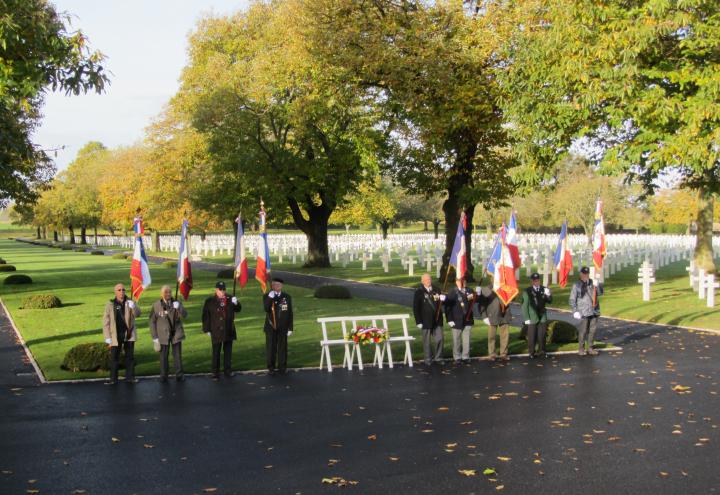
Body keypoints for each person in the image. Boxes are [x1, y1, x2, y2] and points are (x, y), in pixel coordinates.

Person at [102, 283, 141, 384]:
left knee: (130, 357)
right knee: (114, 358)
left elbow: (138, 314)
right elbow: (106, 322)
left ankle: (130, 378)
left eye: (123, 290)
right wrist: (107, 337)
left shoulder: (130, 302)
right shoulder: (110, 304)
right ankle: (113, 379)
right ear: (115, 292)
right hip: (115, 335)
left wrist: (133, 307)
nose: (122, 292)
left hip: (128, 333)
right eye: (119, 290)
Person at [202, 281, 241, 379]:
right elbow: (206, 316)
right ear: (216, 290)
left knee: (228, 352)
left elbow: (238, 309)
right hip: (216, 329)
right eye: (220, 289)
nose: (222, 291)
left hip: (228, 329)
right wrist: (207, 329)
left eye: (224, 289)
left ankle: (227, 371)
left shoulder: (230, 298)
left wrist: (236, 303)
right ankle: (215, 372)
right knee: (216, 351)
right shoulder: (210, 301)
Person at [149, 285, 188, 382]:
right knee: (163, 356)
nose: (168, 294)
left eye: (170, 292)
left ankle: (179, 374)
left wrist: (179, 308)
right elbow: (152, 321)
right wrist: (155, 337)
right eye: (166, 292)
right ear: (162, 294)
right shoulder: (156, 305)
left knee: (177, 355)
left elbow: (185, 315)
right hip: (162, 334)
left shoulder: (177, 302)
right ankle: (163, 376)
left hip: (176, 333)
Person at [569, 266, 604, 356]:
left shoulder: (593, 283)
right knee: (583, 331)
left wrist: (598, 285)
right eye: (584, 274)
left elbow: (600, 293)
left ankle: (590, 348)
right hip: (583, 311)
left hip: (594, 310)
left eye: (587, 274)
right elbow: (572, 299)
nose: (585, 275)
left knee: (593, 330)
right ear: (580, 274)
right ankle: (581, 348)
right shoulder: (576, 285)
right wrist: (575, 310)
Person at [413, 273, 446, 365]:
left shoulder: (436, 289)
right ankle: (428, 359)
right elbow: (416, 308)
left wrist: (443, 300)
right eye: (426, 280)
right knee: (427, 341)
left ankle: (439, 358)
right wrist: (418, 321)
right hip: (425, 320)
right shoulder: (419, 292)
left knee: (439, 338)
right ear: (422, 281)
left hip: (437, 319)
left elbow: (440, 304)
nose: (428, 281)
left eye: (429, 279)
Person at [263, 277, 294, 375]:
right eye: (274, 285)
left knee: (282, 348)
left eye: (278, 285)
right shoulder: (267, 296)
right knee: (271, 348)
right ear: (272, 286)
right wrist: (270, 298)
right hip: (271, 326)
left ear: (281, 286)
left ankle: (282, 367)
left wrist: (290, 327)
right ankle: (271, 367)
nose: (276, 286)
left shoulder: (287, 297)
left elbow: (290, 313)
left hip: (283, 327)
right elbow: (266, 308)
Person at [476, 285, 512, 362]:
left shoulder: (506, 287)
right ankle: (492, 354)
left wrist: (512, 290)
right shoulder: (486, 290)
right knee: (491, 336)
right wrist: (484, 316)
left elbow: (513, 297)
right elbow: (482, 304)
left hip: (504, 314)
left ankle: (504, 354)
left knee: (505, 336)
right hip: (492, 315)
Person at [521, 273, 552, 358]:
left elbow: (549, 301)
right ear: (531, 281)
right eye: (534, 281)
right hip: (532, 317)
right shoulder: (527, 291)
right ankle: (531, 352)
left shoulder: (544, 289)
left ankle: (542, 351)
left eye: (537, 280)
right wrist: (526, 318)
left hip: (542, 316)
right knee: (532, 336)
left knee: (542, 335)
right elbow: (524, 306)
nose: (536, 282)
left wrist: (548, 294)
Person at [444, 277, 474, 364]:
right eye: (461, 281)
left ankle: (465, 356)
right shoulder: (452, 292)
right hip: (456, 319)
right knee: (456, 339)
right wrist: (449, 319)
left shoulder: (469, 290)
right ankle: (457, 357)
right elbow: (447, 306)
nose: (463, 282)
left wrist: (478, 295)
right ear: (456, 282)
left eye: (464, 281)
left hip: (467, 319)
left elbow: (474, 301)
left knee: (466, 339)